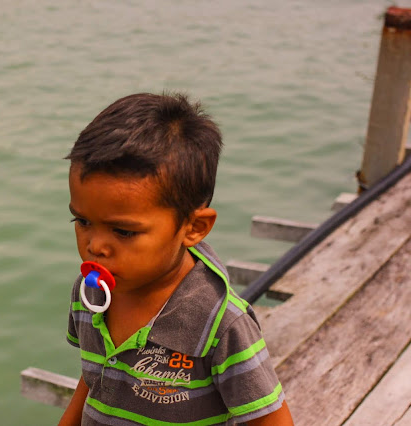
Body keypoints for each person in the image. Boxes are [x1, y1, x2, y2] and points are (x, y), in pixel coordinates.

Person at [59, 93, 294, 426]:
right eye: (82, 221)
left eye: (123, 231)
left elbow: (270, 420)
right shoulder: (91, 292)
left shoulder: (222, 324)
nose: (95, 247)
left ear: (193, 228)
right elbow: (96, 374)